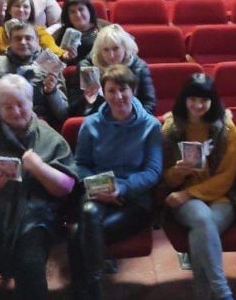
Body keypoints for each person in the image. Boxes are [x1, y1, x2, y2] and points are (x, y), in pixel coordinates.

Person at [0, 74, 77, 299]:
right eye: (7, 107)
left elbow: (66, 187)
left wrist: (39, 168)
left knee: (29, 266)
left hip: (35, 218)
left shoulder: (50, 138)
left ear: (31, 102)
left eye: (21, 104)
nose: (16, 112)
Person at [69, 64, 163, 300]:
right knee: (89, 213)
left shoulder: (150, 125)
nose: (118, 96)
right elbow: (80, 164)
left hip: (134, 199)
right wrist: (98, 186)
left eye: (123, 90)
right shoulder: (91, 124)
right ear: (103, 92)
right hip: (97, 193)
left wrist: (122, 187)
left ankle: (86, 292)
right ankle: (95, 289)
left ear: (133, 90)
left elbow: (153, 171)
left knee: (77, 235)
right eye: (111, 91)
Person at [160, 74, 236, 300]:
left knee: (203, 231)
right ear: (184, 99)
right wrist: (178, 173)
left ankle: (203, 294)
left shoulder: (225, 129)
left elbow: (227, 176)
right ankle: (222, 292)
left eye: (204, 100)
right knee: (203, 220)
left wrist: (189, 193)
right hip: (184, 199)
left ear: (213, 101)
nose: (197, 105)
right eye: (192, 99)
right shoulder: (171, 129)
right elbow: (165, 178)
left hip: (221, 197)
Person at [0, 20, 68, 128]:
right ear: (9, 42)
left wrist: (51, 92)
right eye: (18, 39)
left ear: (37, 41)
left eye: (28, 38)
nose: (23, 42)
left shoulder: (52, 66)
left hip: (37, 126)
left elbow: (62, 114)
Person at [70, 24, 155, 116]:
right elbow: (73, 107)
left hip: (133, 120)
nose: (111, 55)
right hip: (97, 121)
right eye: (106, 50)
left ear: (125, 48)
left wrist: (136, 120)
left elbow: (149, 103)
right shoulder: (87, 67)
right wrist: (86, 99)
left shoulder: (139, 66)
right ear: (100, 51)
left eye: (115, 49)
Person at [0, 0, 66, 61]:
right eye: (17, 6)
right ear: (9, 10)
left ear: (31, 11)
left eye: (25, 7)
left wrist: (65, 55)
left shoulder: (39, 31)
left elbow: (52, 49)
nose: (21, 10)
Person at [51, 0, 110, 65]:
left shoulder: (104, 26)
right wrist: (63, 58)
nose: (78, 15)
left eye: (81, 9)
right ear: (67, 16)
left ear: (89, 10)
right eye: (72, 12)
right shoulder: (60, 34)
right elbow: (49, 60)